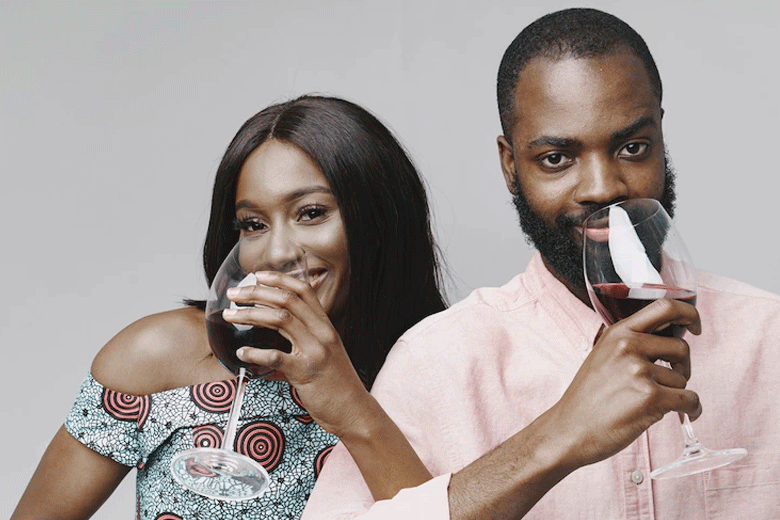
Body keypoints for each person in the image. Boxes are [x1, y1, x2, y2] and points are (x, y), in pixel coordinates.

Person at [302, 8, 780, 519]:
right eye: (557, 158)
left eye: (632, 147)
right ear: (511, 166)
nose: (603, 187)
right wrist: (559, 436)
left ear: (663, 138)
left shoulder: (769, 340)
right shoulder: (436, 367)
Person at [11, 95, 446, 520]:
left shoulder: (442, 371)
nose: (276, 252)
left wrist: (352, 407)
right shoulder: (158, 357)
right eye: (253, 224)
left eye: (311, 213)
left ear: (382, 220)